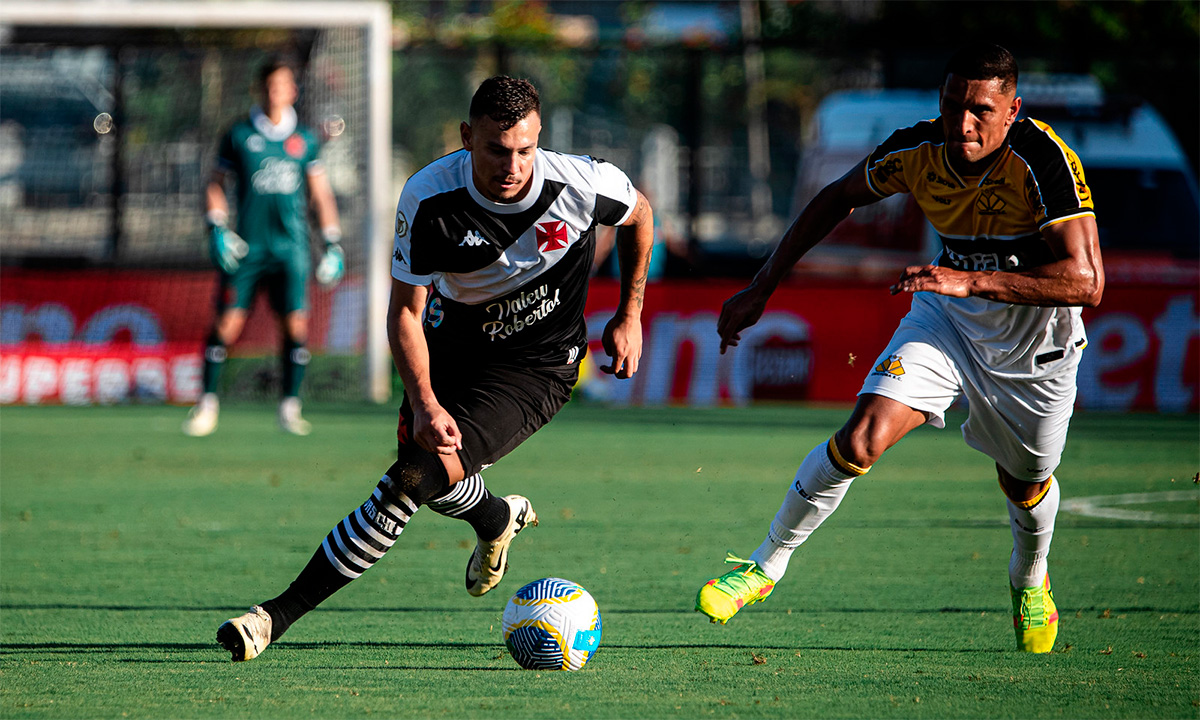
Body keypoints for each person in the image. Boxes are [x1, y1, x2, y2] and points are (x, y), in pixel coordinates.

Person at [216, 76, 655, 661]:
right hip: (448, 352)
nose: (512, 164)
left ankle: (273, 617)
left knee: (412, 481)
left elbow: (640, 215)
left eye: (525, 148)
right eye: (497, 149)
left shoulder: (581, 182)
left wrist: (631, 313)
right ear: (468, 137)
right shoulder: (428, 197)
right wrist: (424, 399)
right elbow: (405, 311)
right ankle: (497, 517)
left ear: (540, 136)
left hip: (537, 367)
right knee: (425, 472)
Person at [694, 44, 1102, 654]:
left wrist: (972, 279)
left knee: (1024, 483)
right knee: (861, 437)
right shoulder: (917, 150)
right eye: (952, 106)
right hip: (947, 320)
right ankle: (764, 566)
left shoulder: (1043, 160)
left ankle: (1030, 578)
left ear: (1012, 110)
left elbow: (1087, 282)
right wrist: (762, 286)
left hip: (1034, 346)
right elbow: (835, 198)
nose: (963, 124)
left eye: (981, 111)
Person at [182, 57, 345, 437]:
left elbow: (320, 193)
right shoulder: (239, 134)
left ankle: (290, 405)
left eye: (283, 86)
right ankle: (206, 403)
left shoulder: (304, 139)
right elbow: (215, 184)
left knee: (295, 326)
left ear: (293, 91)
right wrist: (217, 226)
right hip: (247, 248)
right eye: (270, 87)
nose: (277, 94)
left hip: (292, 249)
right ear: (261, 90)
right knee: (227, 323)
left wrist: (333, 242)